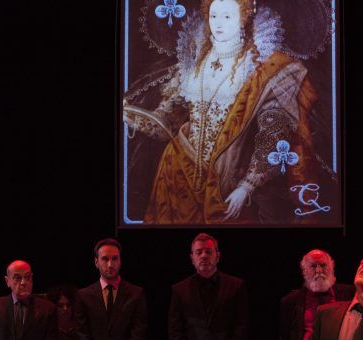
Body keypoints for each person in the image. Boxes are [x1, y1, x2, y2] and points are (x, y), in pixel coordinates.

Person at [124, 0, 328, 224]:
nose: (218, 23)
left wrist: (246, 187)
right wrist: (131, 116)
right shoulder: (192, 62)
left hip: (227, 183)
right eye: (213, 16)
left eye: (227, 16)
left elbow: (274, 133)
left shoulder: (260, 68)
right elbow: (166, 124)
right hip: (175, 174)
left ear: (244, 18)